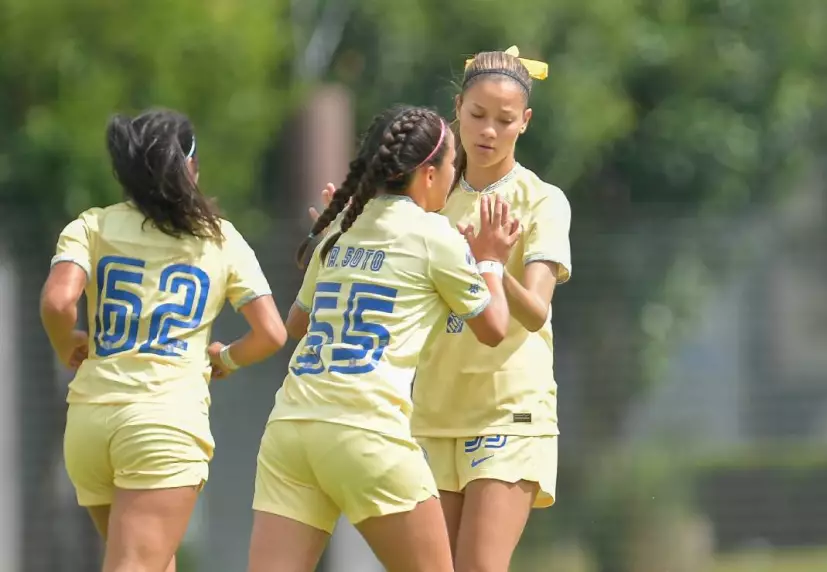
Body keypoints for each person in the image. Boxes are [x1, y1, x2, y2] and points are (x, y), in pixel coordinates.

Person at [247, 105, 521, 572]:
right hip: (367, 432)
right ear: (428, 174)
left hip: (292, 428)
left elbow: (297, 324)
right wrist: (490, 259)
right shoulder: (435, 235)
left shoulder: (342, 229)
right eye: (451, 164)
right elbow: (494, 328)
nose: (455, 174)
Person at [40, 108, 287, 572]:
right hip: (161, 425)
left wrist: (64, 343)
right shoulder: (220, 239)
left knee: (157, 561)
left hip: (91, 424)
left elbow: (57, 303)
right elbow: (272, 332)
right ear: (189, 166)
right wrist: (227, 360)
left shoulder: (92, 225)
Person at [411, 46, 573, 571]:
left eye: (504, 121)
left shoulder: (542, 200)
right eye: (477, 115)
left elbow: (537, 312)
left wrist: (491, 264)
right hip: (434, 412)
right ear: (456, 108)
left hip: (510, 410)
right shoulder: (429, 198)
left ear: (524, 122)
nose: (488, 131)